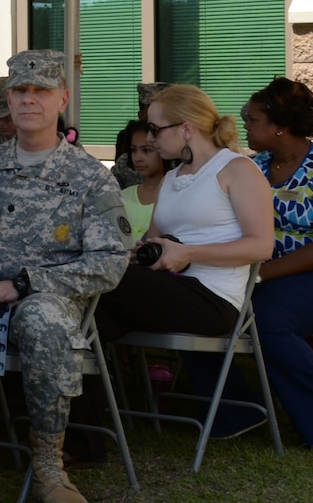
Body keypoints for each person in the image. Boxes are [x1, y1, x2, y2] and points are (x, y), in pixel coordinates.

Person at [0, 50, 131, 503]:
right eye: (20, 91)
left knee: (44, 321)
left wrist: (23, 284)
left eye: (41, 91)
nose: (29, 100)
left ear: (63, 99)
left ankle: (49, 468)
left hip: (44, 300)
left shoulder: (87, 176)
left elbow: (109, 262)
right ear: (9, 100)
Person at [94, 86, 274, 355]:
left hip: (214, 299)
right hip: (172, 288)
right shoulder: (171, 177)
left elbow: (262, 247)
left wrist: (188, 253)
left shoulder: (237, 169)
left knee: (96, 278)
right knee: (82, 312)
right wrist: (137, 253)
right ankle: (99, 391)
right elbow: (150, 243)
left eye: (156, 129)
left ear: (186, 129)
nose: (152, 139)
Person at [238, 77, 313, 451]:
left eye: (253, 119)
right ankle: (240, 413)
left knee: (268, 322)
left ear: (281, 126)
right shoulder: (252, 166)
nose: (246, 126)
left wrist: (260, 275)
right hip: (265, 277)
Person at [118, 119, 167, 241]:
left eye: (146, 150)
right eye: (134, 150)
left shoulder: (174, 197)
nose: (138, 158)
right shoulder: (122, 197)